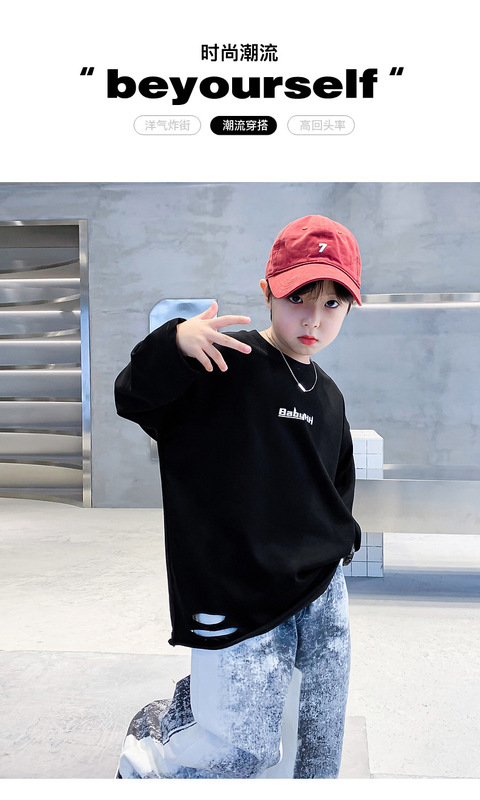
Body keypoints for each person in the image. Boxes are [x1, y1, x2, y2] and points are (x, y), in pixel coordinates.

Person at [114, 214, 363, 779]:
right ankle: (149, 757)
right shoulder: (226, 360)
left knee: (320, 739)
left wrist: (342, 541)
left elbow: (335, 481)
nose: (314, 318)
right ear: (268, 291)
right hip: (238, 581)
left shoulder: (329, 394)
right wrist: (175, 343)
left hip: (322, 585)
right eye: (299, 297)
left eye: (332, 304)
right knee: (243, 748)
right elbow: (133, 397)